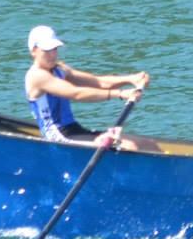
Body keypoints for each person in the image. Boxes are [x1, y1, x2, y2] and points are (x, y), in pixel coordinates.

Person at [22, 24, 158, 152]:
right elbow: (76, 93)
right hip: (57, 138)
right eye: (47, 50)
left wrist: (130, 78)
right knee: (129, 147)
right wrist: (121, 94)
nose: (52, 54)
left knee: (148, 144)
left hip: (75, 130)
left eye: (54, 49)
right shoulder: (37, 76)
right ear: (33, 51)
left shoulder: (60, 69)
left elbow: (99, 82)